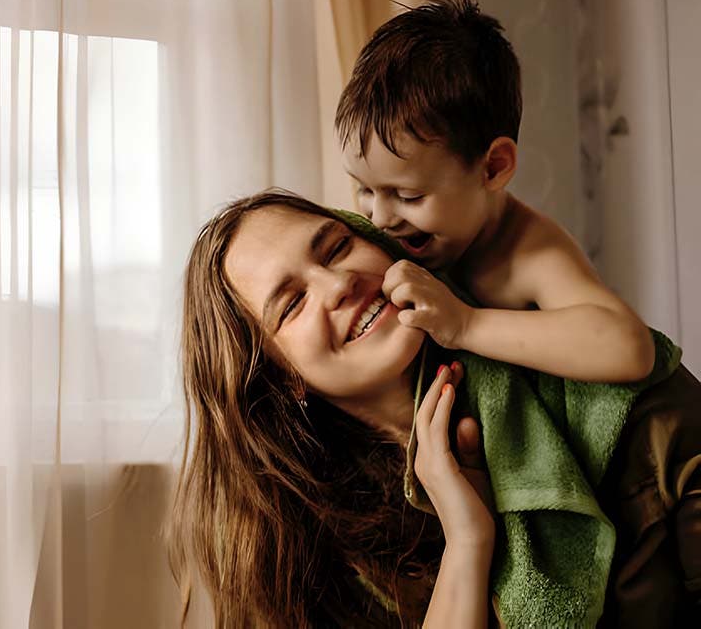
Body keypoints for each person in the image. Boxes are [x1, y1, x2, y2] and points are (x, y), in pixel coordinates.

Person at [169, 190, 701, 628]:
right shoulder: (305, 559)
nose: (339, 284)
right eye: (292, 303)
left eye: (335, 248)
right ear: (281, 383)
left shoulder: (597, 386)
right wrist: (467, 541)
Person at [334, 0, 655, 384]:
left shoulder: (531, 252)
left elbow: (629, 349)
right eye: (365, 190)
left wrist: (467, 324)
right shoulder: (400, 239)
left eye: (408, 195)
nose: (380, 217)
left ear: (493, 168)